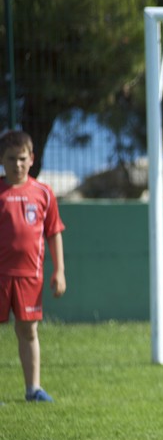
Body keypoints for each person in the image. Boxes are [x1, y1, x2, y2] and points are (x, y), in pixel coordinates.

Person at [0, 131, 66, 403]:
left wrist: (59, 271)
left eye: (22, 159)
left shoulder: (43, 193)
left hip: (30, 276)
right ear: (2, 160)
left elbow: (53, 232)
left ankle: (33, 389)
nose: (17, 164)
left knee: (28, 331)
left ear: (32, 159)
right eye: (11, 159)